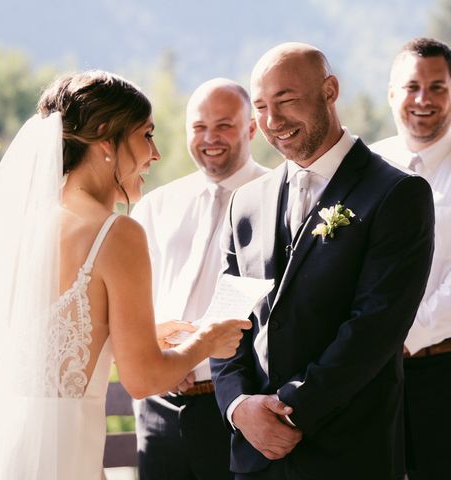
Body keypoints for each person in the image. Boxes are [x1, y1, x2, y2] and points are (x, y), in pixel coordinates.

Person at [0, 70, 250, 480]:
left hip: (2, 445)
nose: (156, 154)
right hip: (61, 454)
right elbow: (144, 378)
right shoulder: (117, 232)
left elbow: (51, 338)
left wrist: (144, 332)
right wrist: (207, 340)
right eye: (146, 135)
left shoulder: (25, 224)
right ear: (104, 139)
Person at [211, 42, 435, 480]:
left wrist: (290, 411)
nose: (273, 122)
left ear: (329, 91)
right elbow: (226, 323)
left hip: (348, 451)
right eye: (261, 107)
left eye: (287, 101)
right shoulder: (245, 202)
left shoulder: (395, 193)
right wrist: (240, 408)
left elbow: (374, 328)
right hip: (255, 456)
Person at [131, 78, 267, 480]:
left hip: (235, 404)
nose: (210, 138)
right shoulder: (156, 204)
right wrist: (159, 353)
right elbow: (136, 300)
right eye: (199, 127)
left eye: (224, 125)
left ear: (252, 128)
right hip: (159, 406)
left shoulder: (277, 197)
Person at [371, 37, 451, 480]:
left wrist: (406, 334)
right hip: (371, 375)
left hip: (444, 368)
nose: (423, 100)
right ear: (391, 94)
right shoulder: (366, 166)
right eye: (411, 86)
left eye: (438, 87)